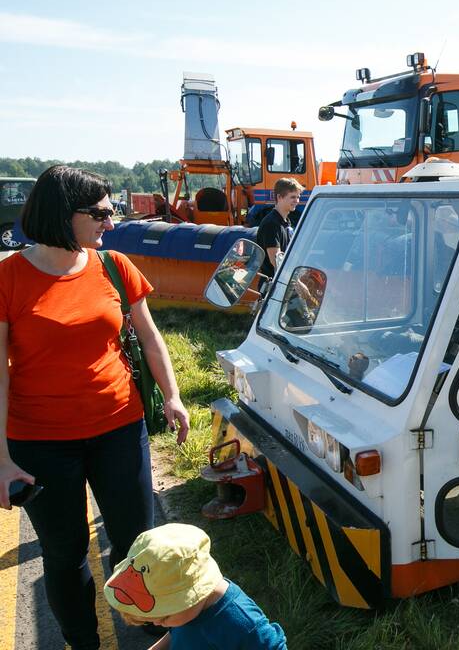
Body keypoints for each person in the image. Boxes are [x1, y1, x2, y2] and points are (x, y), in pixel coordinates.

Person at [0, 165, 190, 650]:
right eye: (102, 213)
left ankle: (147, 624)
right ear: (65, 214)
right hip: (40, 442)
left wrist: (172, 396)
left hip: (120, 430)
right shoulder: (9, 277)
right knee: (64, 554)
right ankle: (82, 641)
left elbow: (149, 337)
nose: (112, 222)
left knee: (135, 542)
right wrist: (2, 460)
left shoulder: (114, 265)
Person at [105, 523, 287, 649]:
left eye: (164, 616)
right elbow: (179, 632)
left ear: (191, 595)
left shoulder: (242, 624)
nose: (157, 622)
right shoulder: (187, 610)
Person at [255, 178, 303, 283]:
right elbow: (277, 263)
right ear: (279, 197)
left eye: (298, 197)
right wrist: (299, 285)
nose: (297, 201)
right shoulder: (271, 224)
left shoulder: (286, 223)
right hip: (273, 288)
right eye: (292, 197)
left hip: (284, 284)